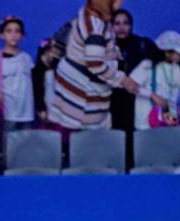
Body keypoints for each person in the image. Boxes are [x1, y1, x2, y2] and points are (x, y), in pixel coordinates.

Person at [53, 0, 141, 130]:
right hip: (82, 92)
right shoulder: (95, 28)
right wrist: (123, 80)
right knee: (86, 138)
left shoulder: (93, 14)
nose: (121, 3)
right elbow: (96, 65)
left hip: (83, 86)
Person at [129, 31, 180, 130]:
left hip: (168, 118)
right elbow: (131, 85)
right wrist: (152, 95)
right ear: (167, 53)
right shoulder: (148, 65)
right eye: (178, 53)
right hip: (145, 122)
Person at [109, 8, 159, 133]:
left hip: (138, 101)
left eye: (126, 23)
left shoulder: (142, 44)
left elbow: (161, 59)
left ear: (131, 25)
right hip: (112, 103)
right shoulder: (105, 47)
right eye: (117, 23)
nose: (122, 27)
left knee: (137, 142)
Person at [0, 16, 35, 131]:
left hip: (26, 113)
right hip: (6, 113)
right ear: (1, 35)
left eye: (17, 31)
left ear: (22, 35)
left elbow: (36, 83)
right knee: (7, 146)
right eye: (9, 31)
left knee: (25, 146)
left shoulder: (27, 58)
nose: (13, 35)